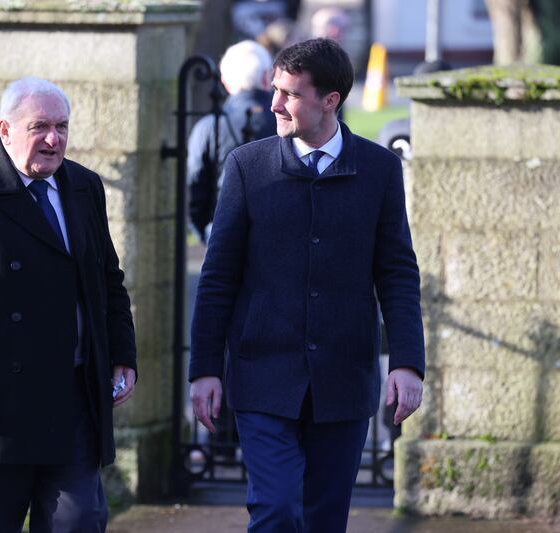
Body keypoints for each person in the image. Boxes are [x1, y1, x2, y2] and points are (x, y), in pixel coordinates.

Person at [189, 39, 425, 532]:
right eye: (275, 89)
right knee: (275, 510)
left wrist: (406, 362)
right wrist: (205, 369)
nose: (273, 104)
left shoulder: (379, 170)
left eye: (289, 94)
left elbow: (398, 272)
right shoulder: (246, 167)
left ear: (330, 101)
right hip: (262, 375)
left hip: (343, 377)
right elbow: (217, 278)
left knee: (323, 520)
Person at [0, 77, 137, 533]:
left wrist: (122, 356)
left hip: (72, 403)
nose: (53, 139)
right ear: (5, 130)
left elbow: (107, 282)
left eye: (62, 126)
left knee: (80, 521)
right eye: (40, 127)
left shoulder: (83, 187)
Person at [188, 40, 277, 243]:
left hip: (223, 229)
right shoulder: (291, 122)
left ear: (225, 81)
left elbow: (195, 186)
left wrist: (206, 233)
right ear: (266, 77)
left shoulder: (210, 126)